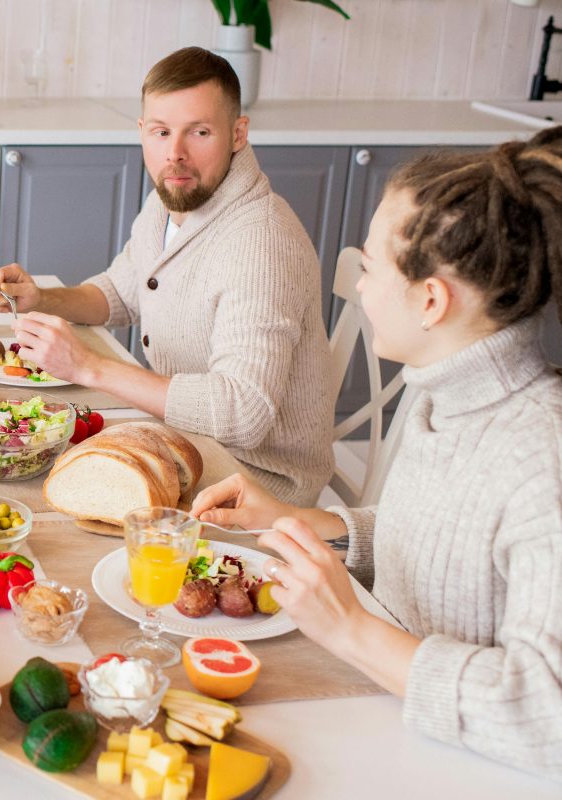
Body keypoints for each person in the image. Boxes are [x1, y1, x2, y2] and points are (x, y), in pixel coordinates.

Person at [190, 131, 562, 779]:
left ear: (431, 300)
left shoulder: (543, 459)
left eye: (368, 269)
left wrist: (349, 629)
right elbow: (442, 542)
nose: (359, 290)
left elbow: (544, 714)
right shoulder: (442, 392)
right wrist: (299, 521)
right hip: (386, 716)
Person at [0, 47, 333, 505]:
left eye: (200, 132)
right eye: (162, 132)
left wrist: (88, 366)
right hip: (186, 441)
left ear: (238, 134)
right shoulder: (171, 198)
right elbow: (121, 292)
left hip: (256, 484)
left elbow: (242, 413)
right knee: (12, 453)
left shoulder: (261, 243)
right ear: (142, 131)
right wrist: (42, 298)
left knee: (31, 490)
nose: (175, 154)